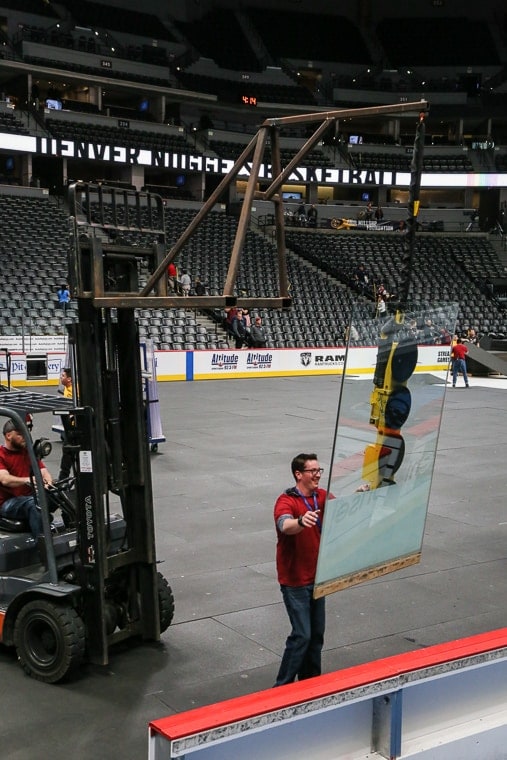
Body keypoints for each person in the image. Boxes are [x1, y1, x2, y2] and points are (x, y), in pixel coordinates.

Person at [273, 453, 328, 686]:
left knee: (315, 637)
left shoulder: (321, 496)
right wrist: (300, 522)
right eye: (312, 471)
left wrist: (359, 495)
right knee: (302, 634)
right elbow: (284, 525)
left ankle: (310, 684)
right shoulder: (286, 501)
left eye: (318, 470)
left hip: (318, 578)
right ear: (298, 474)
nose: (317, 475)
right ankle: (281, 687)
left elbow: (342, 508)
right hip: (295, 581)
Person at [0, 419, 54, 538]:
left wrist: (48, 483)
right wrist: (28, 480)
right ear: (8, 436)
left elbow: (44, 472)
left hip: (29, 497)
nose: (25, 437)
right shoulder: (1, 454)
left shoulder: (27, 452)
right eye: (20, 434)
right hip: (8, 503)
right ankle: (43, 548)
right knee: (35, 504)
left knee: (61, 494)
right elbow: (5, 479)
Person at [58, 367, 74, 481]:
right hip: (69, 428)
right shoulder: (66, 388)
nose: (60, 377)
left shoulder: (75, 389)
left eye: (63, 376)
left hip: (76, 428)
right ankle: (63, 481)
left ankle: (63, 479)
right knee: (67, 454)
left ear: (69, 379)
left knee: (68, 452)